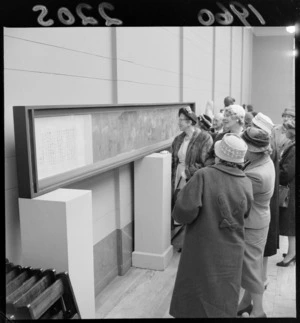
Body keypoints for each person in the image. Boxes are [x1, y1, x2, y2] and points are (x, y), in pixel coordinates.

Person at [169, 134, 253, 318]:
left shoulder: (203, 176)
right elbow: (245, 214)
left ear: (219, 156)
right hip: (231, 252)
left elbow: (182, 213)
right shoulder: (246, 182)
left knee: (195, 299)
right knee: (223, 298)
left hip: (202, 248)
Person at [237, 127, 275, 318]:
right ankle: (245, 303)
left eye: (245, 146)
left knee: (252, 269)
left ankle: (258, 311)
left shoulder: (256, 174)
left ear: (254, 149)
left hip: (252, 222)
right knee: (254, 265)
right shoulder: (262, 161)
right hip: (259, 219)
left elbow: (239, 197)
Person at [171, 106, 213, 231]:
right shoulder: (178, 139)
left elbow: (208, 163)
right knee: (179, 203)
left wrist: (189, 172)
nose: (178, 122)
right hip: (178, 175)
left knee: (191, 206)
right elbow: (174, 161)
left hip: (193, 178)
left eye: (181, 120)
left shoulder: (204, 138)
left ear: (189, 122)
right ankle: (181, 232)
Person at [251, 112, 278, 289]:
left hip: (264, 198)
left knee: (263, 244)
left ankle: (261, 279)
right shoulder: (270, 144)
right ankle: (261, 278)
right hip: (268, 197)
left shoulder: (267, 147)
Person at [276, 119, 296, 267]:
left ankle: (291, 254)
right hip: (293, 189)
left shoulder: (294, 147)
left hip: (291, 190)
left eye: (286, 129)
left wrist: (277, 171)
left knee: (290, 225)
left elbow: (287, 173)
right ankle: (292, 251)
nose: (284, 131)